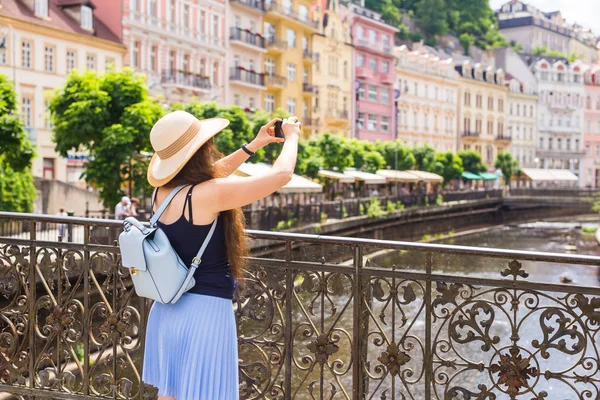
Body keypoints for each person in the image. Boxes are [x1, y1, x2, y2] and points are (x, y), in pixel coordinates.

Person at [142, 110, 301, 400]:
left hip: (167, 309)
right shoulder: (208, 195)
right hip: (205, 312)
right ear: (202, 149)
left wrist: (254, 145)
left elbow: (212, 176)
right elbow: (282, 175)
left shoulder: (162, 192)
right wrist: (292, 137)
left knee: (170, 394)